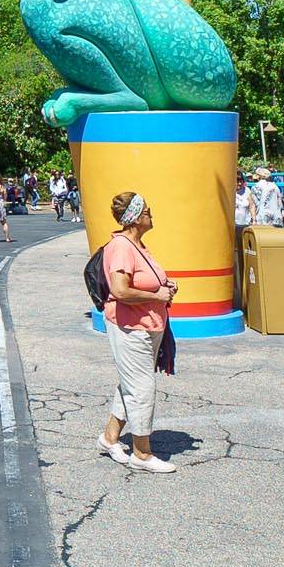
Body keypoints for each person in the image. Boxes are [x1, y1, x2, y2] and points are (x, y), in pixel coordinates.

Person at [97, 190, 178, 473]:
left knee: (130, 384)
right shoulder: (121, 247)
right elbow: (120, 290)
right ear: (134, 218)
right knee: (142, 389)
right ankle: (142, 454)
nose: (151, 214)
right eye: (147, 211)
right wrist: (158, 296)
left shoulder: (137, 245)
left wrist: (165, 286)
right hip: (130, 328)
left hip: (146, 325)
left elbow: (146, 281)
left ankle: (109, 438)